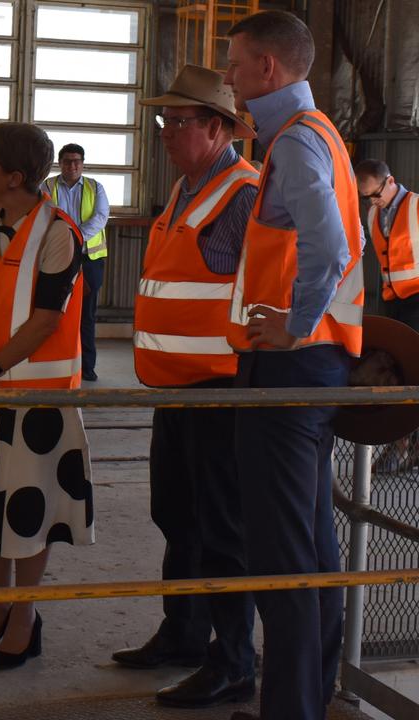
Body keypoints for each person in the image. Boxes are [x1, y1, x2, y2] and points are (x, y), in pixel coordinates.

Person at [223, 10, 365, 720]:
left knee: (283, 557)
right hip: (313, 370)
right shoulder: (321, 137)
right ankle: (307, 696)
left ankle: (291, 709)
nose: (228, 78)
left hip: (290, 371)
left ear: (268, 70)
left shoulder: (296, 145)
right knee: (308, 544)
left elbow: (333, 246)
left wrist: (294, 326)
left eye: (234, 63)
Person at [117, 64, 259, 708]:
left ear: (218, 127)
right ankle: (182, 636)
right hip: (175, 391)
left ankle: (233, 660)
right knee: (176, 515)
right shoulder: (184, 191)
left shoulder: (244, 193)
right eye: (163, 120)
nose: (166, 132)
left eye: (179, 121)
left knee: (222, 528)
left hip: (220, 392)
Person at [0, 121, 94, 670]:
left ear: (14, 176)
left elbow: (44, 319)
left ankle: (24, 617)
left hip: (38, 399)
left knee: (28, 513)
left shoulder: (59, 231)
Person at [43, 144, 109, 381]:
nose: (73, 165)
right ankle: (58, 364)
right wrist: (65, 241)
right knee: (54, 311)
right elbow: (42, 215)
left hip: (89, 259)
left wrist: (74, 238)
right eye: (68, 161)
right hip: (57, 256)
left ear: (83, 163)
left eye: (77, 161)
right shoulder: (47, 186)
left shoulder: (95, 187)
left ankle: (87, 367)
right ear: (59, 163)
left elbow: (100, 218)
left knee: (86, 315)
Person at [355, 159, 419, 331]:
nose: (372, 201)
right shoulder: (372, 214)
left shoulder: (416, 206)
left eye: (375, 194)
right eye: (366, 197)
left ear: (390, 181)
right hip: (391, 299)